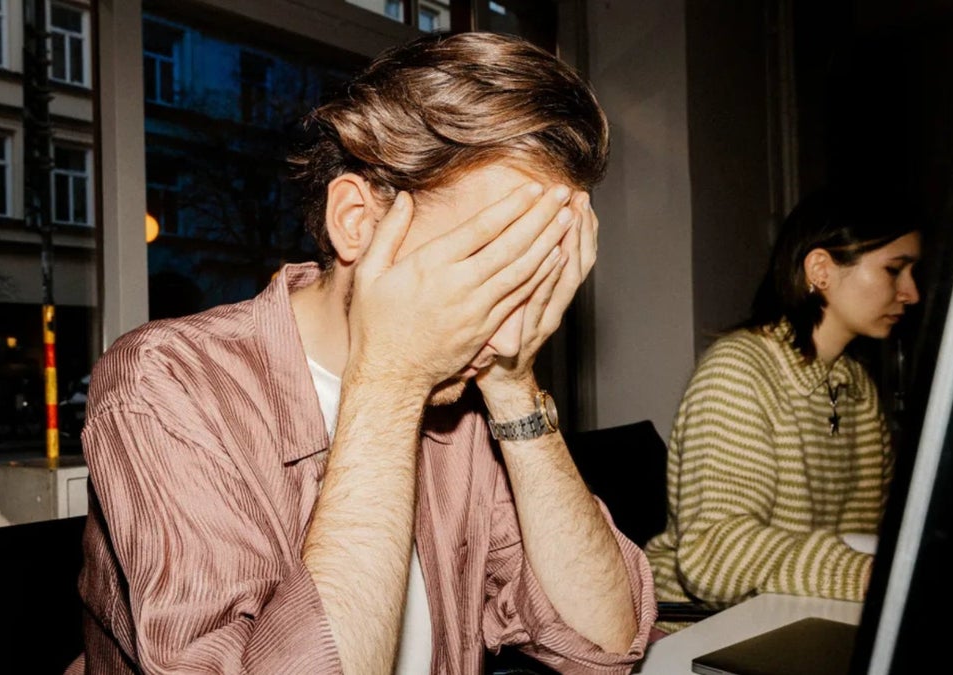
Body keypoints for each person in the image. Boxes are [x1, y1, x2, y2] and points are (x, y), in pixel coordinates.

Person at [68, 32, 656, 675]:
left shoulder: (474, 387)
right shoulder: (167, 382)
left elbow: (601, 645)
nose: (513, 333)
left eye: (535, 281)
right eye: (483, 266)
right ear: (356, 220)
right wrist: (389, 383)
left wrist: (514, 386)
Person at [644, 186, 921, 632]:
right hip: (697, 630)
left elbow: (858, 537)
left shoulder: (857, 389)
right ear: (821, 270)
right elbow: (715, 554)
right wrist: (870, 576)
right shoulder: (739, 372)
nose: (911, 293)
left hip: (793, 618)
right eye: (894, 270)